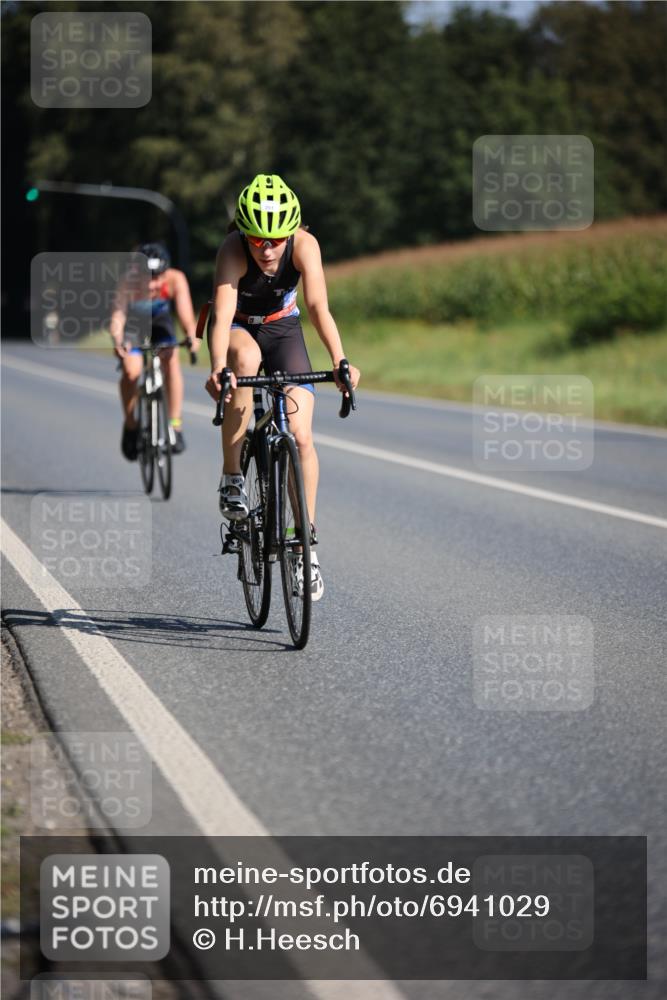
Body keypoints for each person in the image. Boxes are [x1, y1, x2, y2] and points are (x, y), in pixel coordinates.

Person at [205, 173, 360, 601]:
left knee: (302, 435)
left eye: (275, 240)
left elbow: (317, 307)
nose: (267, 249)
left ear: (291, 231)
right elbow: (221, 315)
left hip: (283, 329)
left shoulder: (304, 246)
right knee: (245, 362)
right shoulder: (232, 250)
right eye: (257, 240)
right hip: (238, 329)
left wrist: (340, 361)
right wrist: (219, 368)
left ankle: (304, 545)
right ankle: (232, 477)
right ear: (244, 232)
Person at [110, 242, 198, 460]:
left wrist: (191, 336)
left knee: (171, 357)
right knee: (131, 371)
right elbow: (118, 316)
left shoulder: (176, 279)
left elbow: (186, 314)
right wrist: (118, 339)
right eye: (147, 277)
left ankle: (175, 425)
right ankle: (131, 426)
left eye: (158, 277)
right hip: (134, 325)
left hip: (160, 322)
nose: (153, 284)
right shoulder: (127, 282)